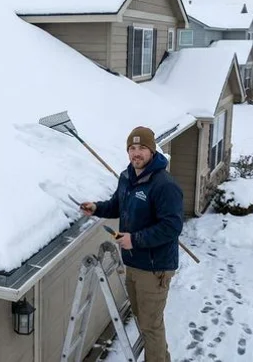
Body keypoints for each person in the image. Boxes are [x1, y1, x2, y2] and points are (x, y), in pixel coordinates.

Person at [80, 126, 184, 362]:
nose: (136, 153)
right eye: (132, 148)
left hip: (155, 267)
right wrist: (96, 208)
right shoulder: (126, 177)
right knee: (145, 321)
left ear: (152, 151)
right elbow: (117, 206)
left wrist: (134, 240)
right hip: (134, 263)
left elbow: (172, 227)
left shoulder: (164, 185)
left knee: (150, 325)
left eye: (142, 148)